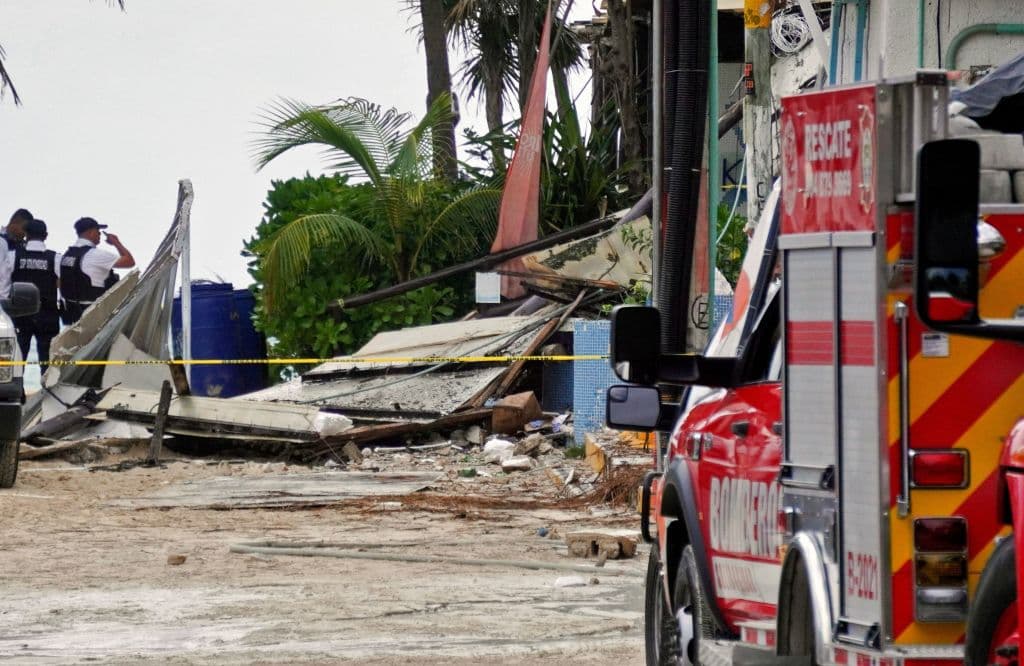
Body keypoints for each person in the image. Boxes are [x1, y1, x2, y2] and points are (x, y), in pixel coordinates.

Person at [59, 217, 135, 324]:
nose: (99, 234)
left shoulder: (68, 254)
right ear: (91, 232)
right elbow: (130, 261)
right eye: (98, 231)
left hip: (72, 313)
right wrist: (117, 243)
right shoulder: (95, 255)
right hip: (93, 315)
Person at [11, 219, 61, 366]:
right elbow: (64, 284)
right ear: (45, 235)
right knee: (47, 359)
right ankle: (47, 388)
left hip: (20, 313)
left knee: (17, 357)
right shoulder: (55, 258)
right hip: (48, 313)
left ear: (26, 235)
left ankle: (16, 388)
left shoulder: (13, 256)